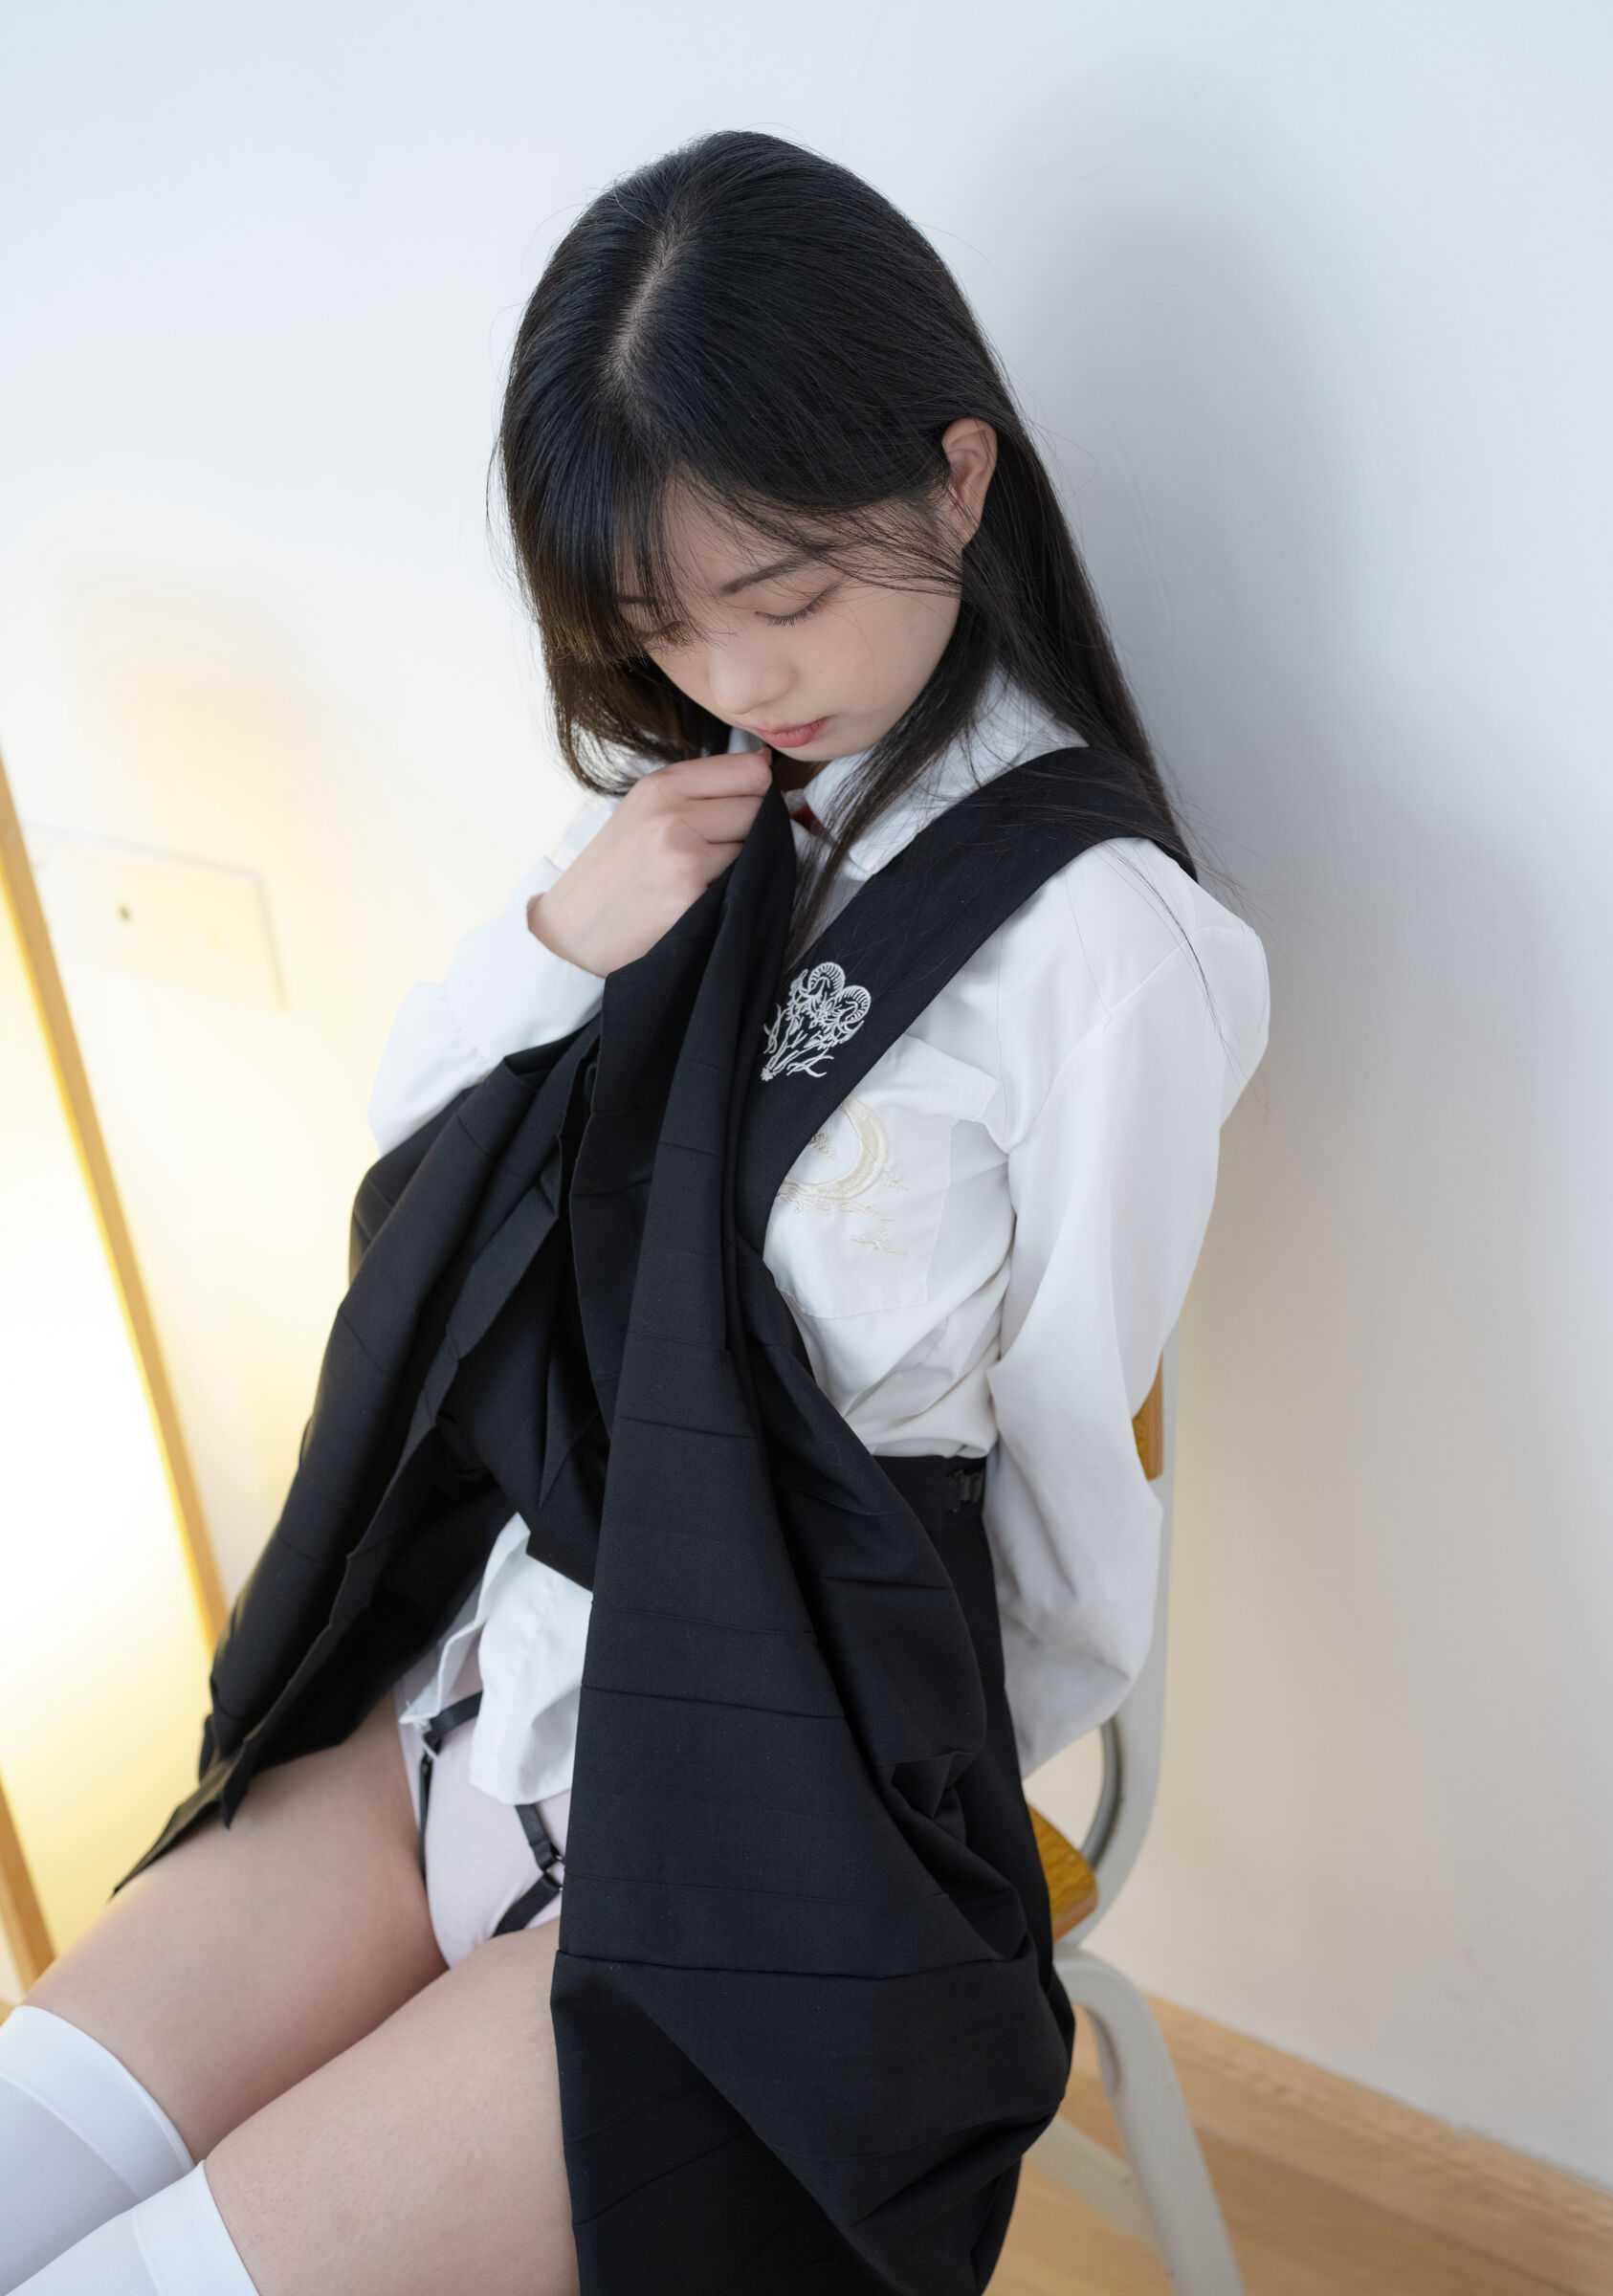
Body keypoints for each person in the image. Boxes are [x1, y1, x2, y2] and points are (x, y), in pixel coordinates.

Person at [0, 128, 1270, 2294]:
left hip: (776, 1829)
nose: (741, 681)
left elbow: (1073, 1482)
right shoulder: (695, 823)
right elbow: (428, 1210)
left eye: (781, 602)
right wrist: (557, 935)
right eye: (667, 629)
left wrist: (910, 1837)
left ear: (958, 478)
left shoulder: (1102, 950)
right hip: (486, 1691)